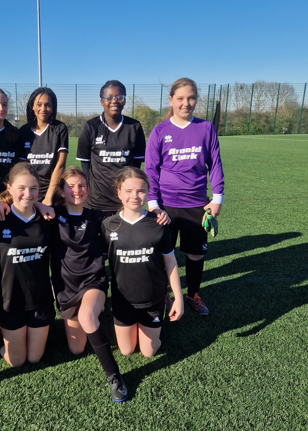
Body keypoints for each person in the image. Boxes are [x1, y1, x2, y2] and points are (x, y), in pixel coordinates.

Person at [145, 78, 224, 315]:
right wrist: (153, 203)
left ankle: (193, 294)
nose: (185, 103)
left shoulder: (206, 128)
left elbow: (215, 164)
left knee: (195, 253)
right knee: (162, 253)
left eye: (191, 98)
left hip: (196, 205)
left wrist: (217, 198)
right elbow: (150, 170)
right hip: (165, 206)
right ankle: (164, 295)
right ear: (171, 100)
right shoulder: (160, 131)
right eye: (180, 98)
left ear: (196, 100)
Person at [50, 166, 128, 402]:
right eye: (71, 186)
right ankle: (95, 315)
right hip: (66, 288)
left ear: (88, 188)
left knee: (86, 317)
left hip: (93, 281)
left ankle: (114, 376)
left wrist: (156, 213)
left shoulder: (96, 216)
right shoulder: (52, 215)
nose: (77, 190)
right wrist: (0, 205)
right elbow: (23, 207)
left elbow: (127, 220)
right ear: (61, 191)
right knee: (76, 349)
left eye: (81, 185)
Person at [102, 167, 183, 358]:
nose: (134, 196)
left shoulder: (159, 223)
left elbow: (170, 261)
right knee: (127, 350)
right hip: (123, 299)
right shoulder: (108, 225)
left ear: (148, 192)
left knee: (149, 352)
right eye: (128, 191)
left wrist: (179, 297)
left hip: (153, 298)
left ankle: (162, 311)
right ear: (119, 193)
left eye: (141, 191)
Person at [0, 162, 54, 367]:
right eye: (21, 188)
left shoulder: (47, 217)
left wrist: (41, 205)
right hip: (11, 301)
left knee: (34, 358)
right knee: (16, 361)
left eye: (33, 188)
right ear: (9, 188)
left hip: (40, 299)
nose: (28, 194)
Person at [76, 80, 146, 214]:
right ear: (102, 101)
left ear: (124, 100)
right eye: (109, 97)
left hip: (125, 200)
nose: (114, 101)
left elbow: (136, 167)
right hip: (96, 202)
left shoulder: (134, 127)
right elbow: (85, 165)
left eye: (119, 97)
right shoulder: (91, 126)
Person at [18, 88, 68, 206]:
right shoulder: (23, 131)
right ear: (32, 106)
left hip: (52, 194)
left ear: (53, 107)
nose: (43, 109)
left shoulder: (59, 128)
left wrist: (48, 197)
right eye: (39, 105)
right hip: (29, 193)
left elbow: (60, 165)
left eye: (47, 105)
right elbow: (22, 168)